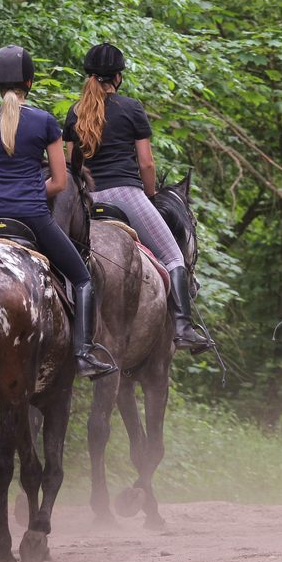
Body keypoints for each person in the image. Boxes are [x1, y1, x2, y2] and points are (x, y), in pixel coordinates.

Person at [0, 45, 116, 377]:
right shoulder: (45, 122)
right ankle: (84, 354)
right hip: (32, 217)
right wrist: (31, 191)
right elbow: (60, 183)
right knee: (83, 278)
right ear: (30, 83)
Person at [63, 43, 211, 352]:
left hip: (87, 200)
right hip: (125, 194)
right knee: (173, 256)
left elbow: (72, 167)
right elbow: (146, 163)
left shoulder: (75, 112)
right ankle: (183, 328)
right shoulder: (131, 108)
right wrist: (150, 194)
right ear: (117, 77)